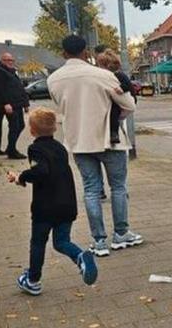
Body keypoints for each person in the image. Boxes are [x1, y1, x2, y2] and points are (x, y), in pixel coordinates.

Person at [47, 34, 142, 257]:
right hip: (110, 140)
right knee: (118, 187)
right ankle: (121, 233)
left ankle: (99, 241)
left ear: (63, 53)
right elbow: (129, 105)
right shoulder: (102, 75)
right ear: (86, 52)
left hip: (78, 141)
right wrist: (116, 115)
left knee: (91, 190)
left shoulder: (54, 79)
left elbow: (60, 105)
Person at [6, 108, 98, 296]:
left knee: (38, 242)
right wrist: (23, 179)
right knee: (62, 241)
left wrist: (21, 176)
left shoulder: (35, 148)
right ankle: (80, 256)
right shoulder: (60, 148)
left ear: (32, 131)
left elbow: (41, 171)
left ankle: (33, 280)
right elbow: (52, 172)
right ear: (55, 128)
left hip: (45, 208)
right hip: (66, 204)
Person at [95, 49, 133, 146]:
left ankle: (114, 133)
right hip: (116, 100)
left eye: (100, 65)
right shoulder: (110, 75)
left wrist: (122, 88)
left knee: (114, 111)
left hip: (119, 102)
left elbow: (129, 86)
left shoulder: (118, 75)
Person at [0, 50, 30, 159]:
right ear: (2, 60)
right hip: (8, 105)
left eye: (12, 60)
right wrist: (6, 103)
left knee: (20, 125)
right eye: (8, 60)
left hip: (17, 104)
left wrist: (25, 104)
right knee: (15, 126)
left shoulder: (12, 72)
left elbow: (20, 88)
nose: (11, 62)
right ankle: (11, 151)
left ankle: (7, 148)